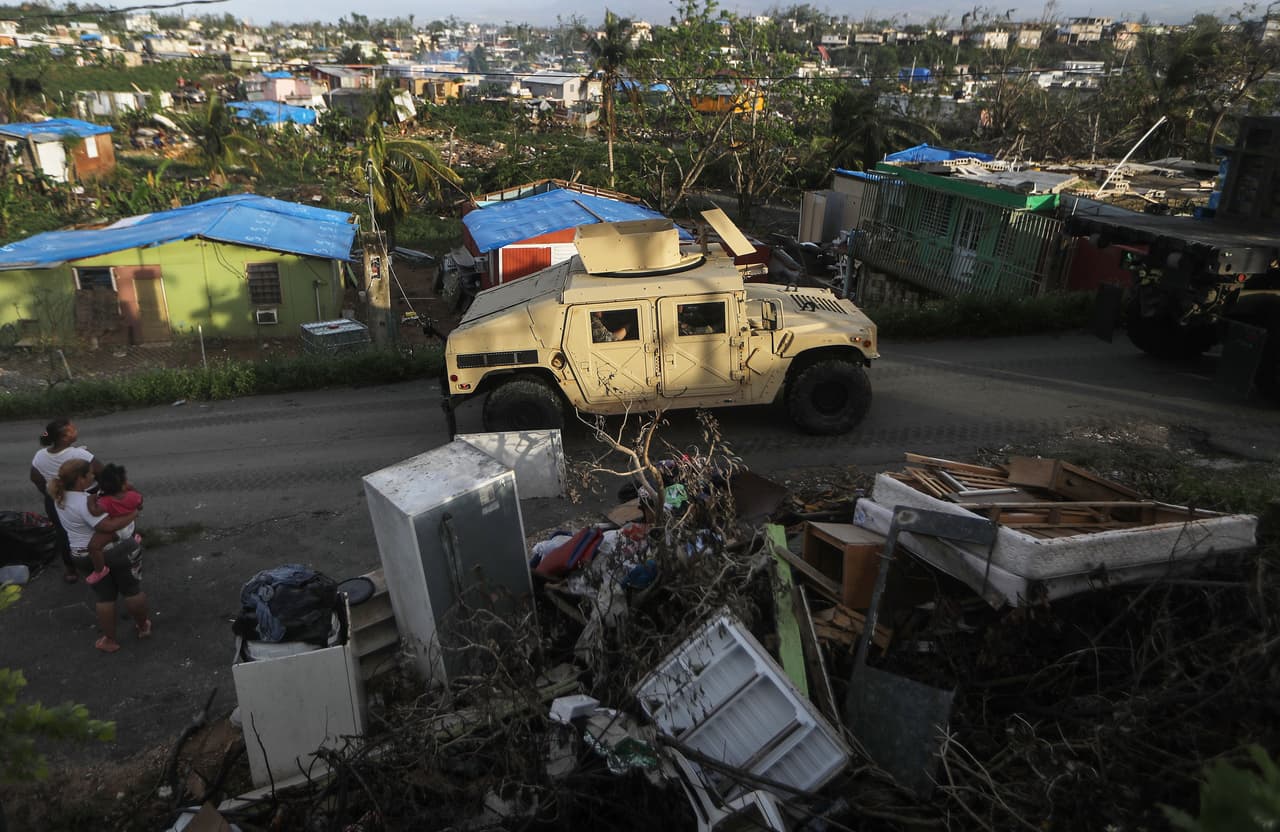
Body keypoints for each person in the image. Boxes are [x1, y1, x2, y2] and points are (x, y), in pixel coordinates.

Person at [48, 459, 149, 653]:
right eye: (90, 474)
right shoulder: (83, 503)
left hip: (81, 555)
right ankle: (143, 627)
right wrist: (133, 513)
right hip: (113, 551)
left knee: (105, 598)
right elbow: (107, 526)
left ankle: (109, 640)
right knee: (131, 591)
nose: (94, 476)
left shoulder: (60, 497)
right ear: (80, 479)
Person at [30, 418, 102, 583]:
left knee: (64, 534)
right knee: (95, 530)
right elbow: (102, 473)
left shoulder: (40, 455)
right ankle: (100, 563)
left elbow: (35, 477)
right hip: (83, 498)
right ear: (64, 438)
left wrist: (50, 494)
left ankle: (71, 570)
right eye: (73, 429)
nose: (76, 430)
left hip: (57, 500)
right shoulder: (79, 454)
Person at [85, 463, 143, 586]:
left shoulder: (106, 501)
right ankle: (134, 538)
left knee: (94, 546)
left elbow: (95, 512)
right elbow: (140, 505)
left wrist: (90, 500)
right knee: (132, 519)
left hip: (116, 530)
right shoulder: (133, 496)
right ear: (123, 485)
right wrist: (132, 489)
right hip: (129, 526)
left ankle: (100, 570)